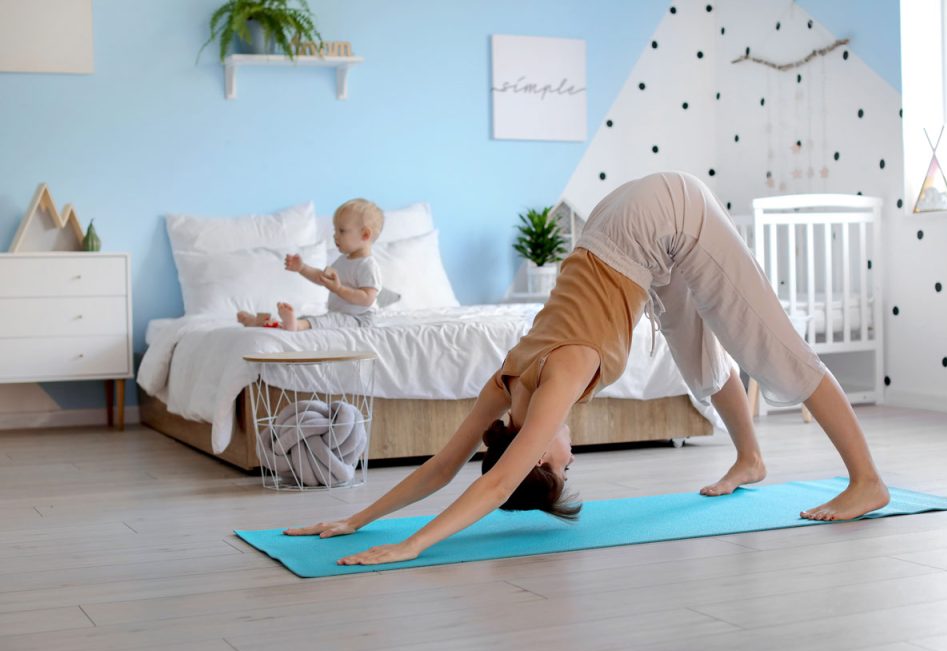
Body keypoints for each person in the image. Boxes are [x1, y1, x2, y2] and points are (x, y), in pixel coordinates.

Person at [286, 172, 891, 566]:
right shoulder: (507, 382)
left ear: (534, 454)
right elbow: (446, 466)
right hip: (619, 231)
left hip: (660, 215)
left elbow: (492, 484)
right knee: (698, 361)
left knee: (774, 355)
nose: (572, 459)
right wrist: (356, 518)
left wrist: (411, 546)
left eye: (558, 467)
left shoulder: (561, 377)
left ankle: (866, 479)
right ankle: (750, 458)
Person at [238, 198, 384, 331]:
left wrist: (339, 289)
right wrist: (302, 268)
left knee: (328, 321)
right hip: (341, 315)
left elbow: (367, 298)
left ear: (365, 235)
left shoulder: (367, 265)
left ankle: (294, 325)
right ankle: (268, 323)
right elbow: (322, 278)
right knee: (313, 319)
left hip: (360, 319)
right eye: (335, 230)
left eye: (341, 230)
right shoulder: (343, 260)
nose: (335, 235)